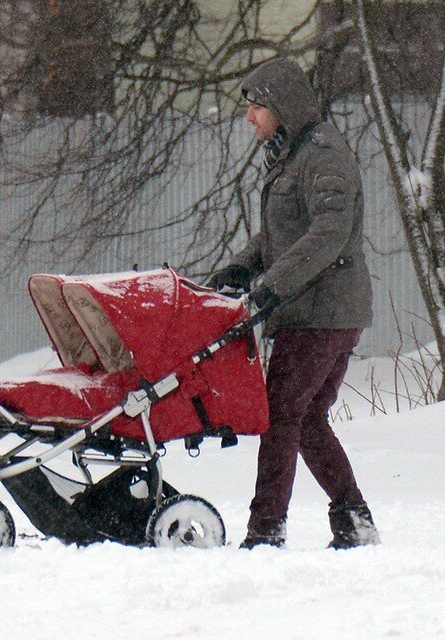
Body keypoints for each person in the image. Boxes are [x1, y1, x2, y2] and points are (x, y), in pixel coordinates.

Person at [207, 57, 379, 550]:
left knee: (280, 417)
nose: (249, 118)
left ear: (282, 106)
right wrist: (241, 268)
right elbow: (281, 234)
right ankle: (354, 522)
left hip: (320, 312)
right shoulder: (294, 155)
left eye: (255, 107)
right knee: (305, 420)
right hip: (314, 310)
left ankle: (265, 532)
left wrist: (273, 286)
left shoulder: (323, 156)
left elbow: (329, 233)